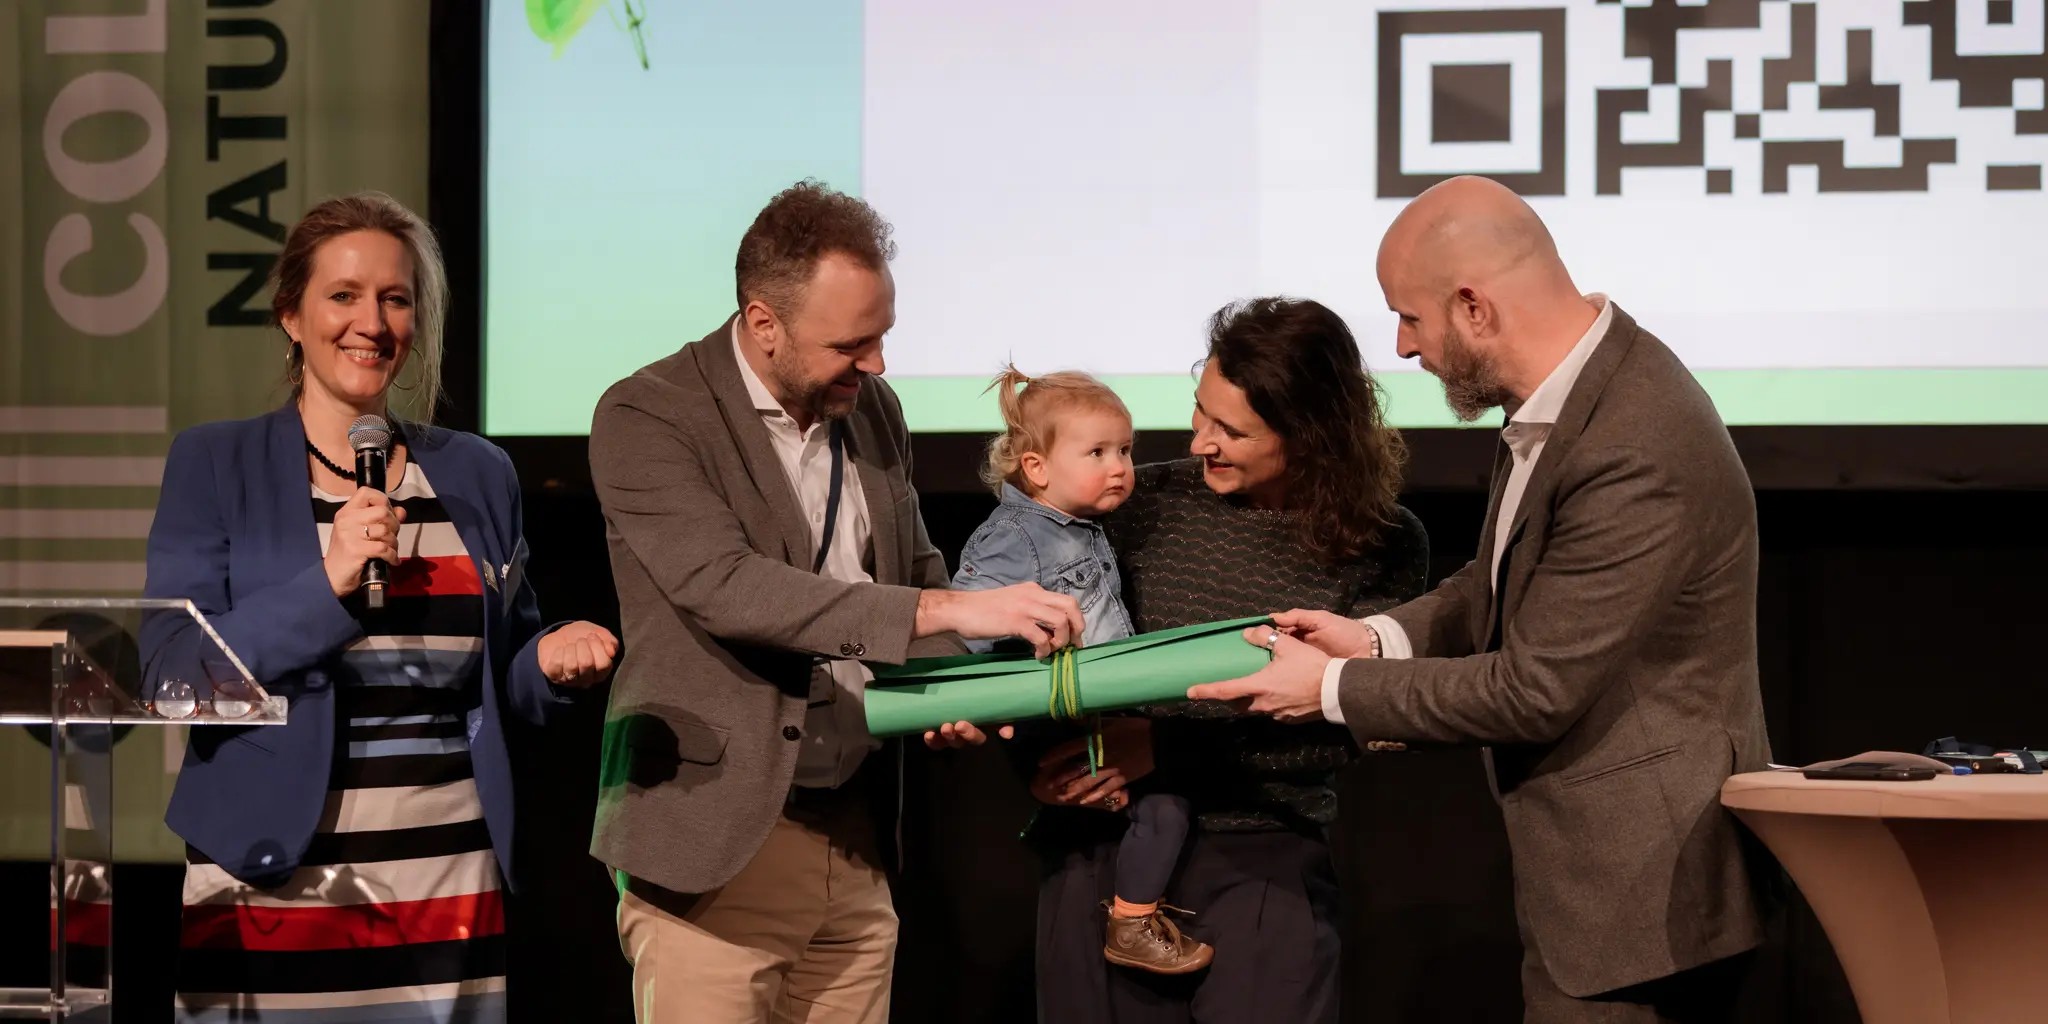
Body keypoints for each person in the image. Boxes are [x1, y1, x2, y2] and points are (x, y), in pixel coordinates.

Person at [1191, 175, 1774, 1024]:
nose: (1399, 347)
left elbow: (1536, 689)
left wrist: (1325, 690)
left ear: (1473, 308)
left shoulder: (1633, 442)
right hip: (1603, 886)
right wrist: (1374, 638)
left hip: (1646, 901)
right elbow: (1504, 580)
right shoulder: (1569, 398)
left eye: (1411, 318)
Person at [587, 180, 1086, 1024]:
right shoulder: (648, 414)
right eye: (853, 343)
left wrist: (954, 693)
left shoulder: (873, 410)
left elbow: (916, 572)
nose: (879, 364)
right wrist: (945, 615)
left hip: (855, 834)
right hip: (717, 845)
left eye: (883, 336)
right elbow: (725, 585)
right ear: (763, 323)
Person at [140, 192, 619, 1023]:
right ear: (291, 315)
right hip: (272, 889)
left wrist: (546, 664)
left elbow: (501, 681)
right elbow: (171, 677)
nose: (372, 321)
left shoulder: (476, 472)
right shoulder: (216, 464)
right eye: (344, 295)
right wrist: (324, 583)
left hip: (447, 881)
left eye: (396, 299)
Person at [1021, 297, 1430, 1023]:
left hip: (1262, 859)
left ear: (1308, 436)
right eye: (1199, 413)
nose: (1199, 440)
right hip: (1106, 854)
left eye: (1231, 430)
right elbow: (1046, 652)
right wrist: (1042, 757)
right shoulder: (1138, 504)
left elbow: (1353, 722)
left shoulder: (1383, 541)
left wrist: (1165, 748)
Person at [948, 366, 1213, 975]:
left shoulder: (1081, 525)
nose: (1120, 466)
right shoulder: (1015, 536)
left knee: (1160, 807)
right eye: (1097, 452)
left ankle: (1129, 913)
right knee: (1162, 806)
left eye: (1125, 450)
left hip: (1093, 707)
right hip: (1049, 713)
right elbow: (965, 622)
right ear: (1036, 468)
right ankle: (1131, 920)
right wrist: (969, 699)